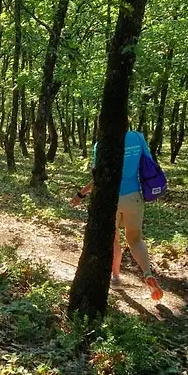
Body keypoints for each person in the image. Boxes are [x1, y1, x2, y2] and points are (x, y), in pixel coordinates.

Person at [72, 126, 164, 301]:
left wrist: (81, 194)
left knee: (114, 239)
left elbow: (98, 177)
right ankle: (147, 273)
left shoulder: (101, 145)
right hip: (135, 197)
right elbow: (149, 163)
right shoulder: (137, 138)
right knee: (135, 239)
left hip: (111, 198)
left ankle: (115, 278)